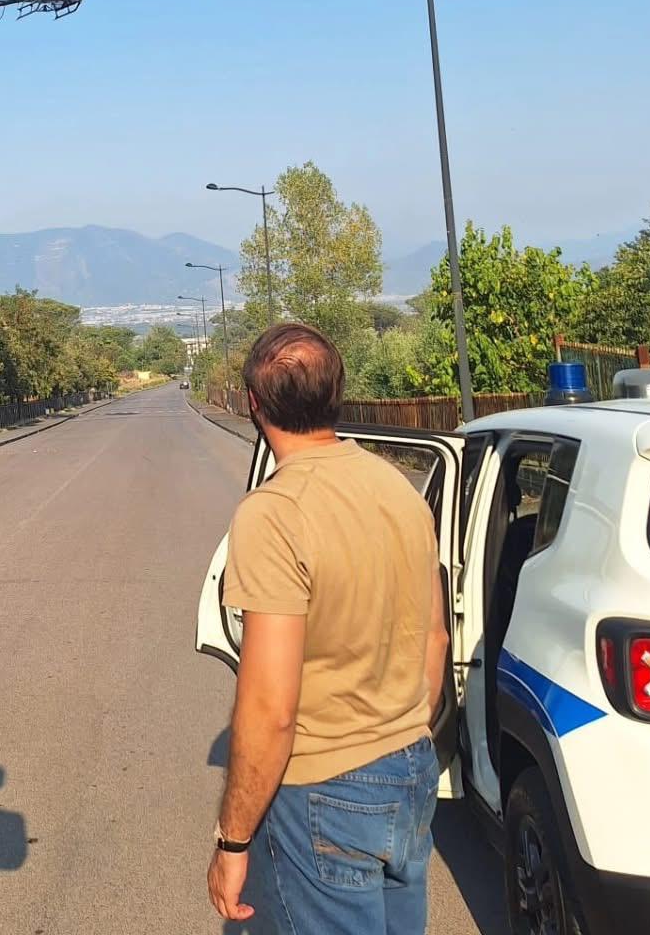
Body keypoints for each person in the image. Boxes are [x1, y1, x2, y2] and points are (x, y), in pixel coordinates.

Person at [207, 323, 448, 933]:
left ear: (254, 406)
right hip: (411, 765)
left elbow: (269, 706)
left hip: (324, 790)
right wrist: (402, 733)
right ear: (337, 394)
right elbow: (436, 639)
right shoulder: (400, 490)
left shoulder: (274, 512)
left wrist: (232, 842)